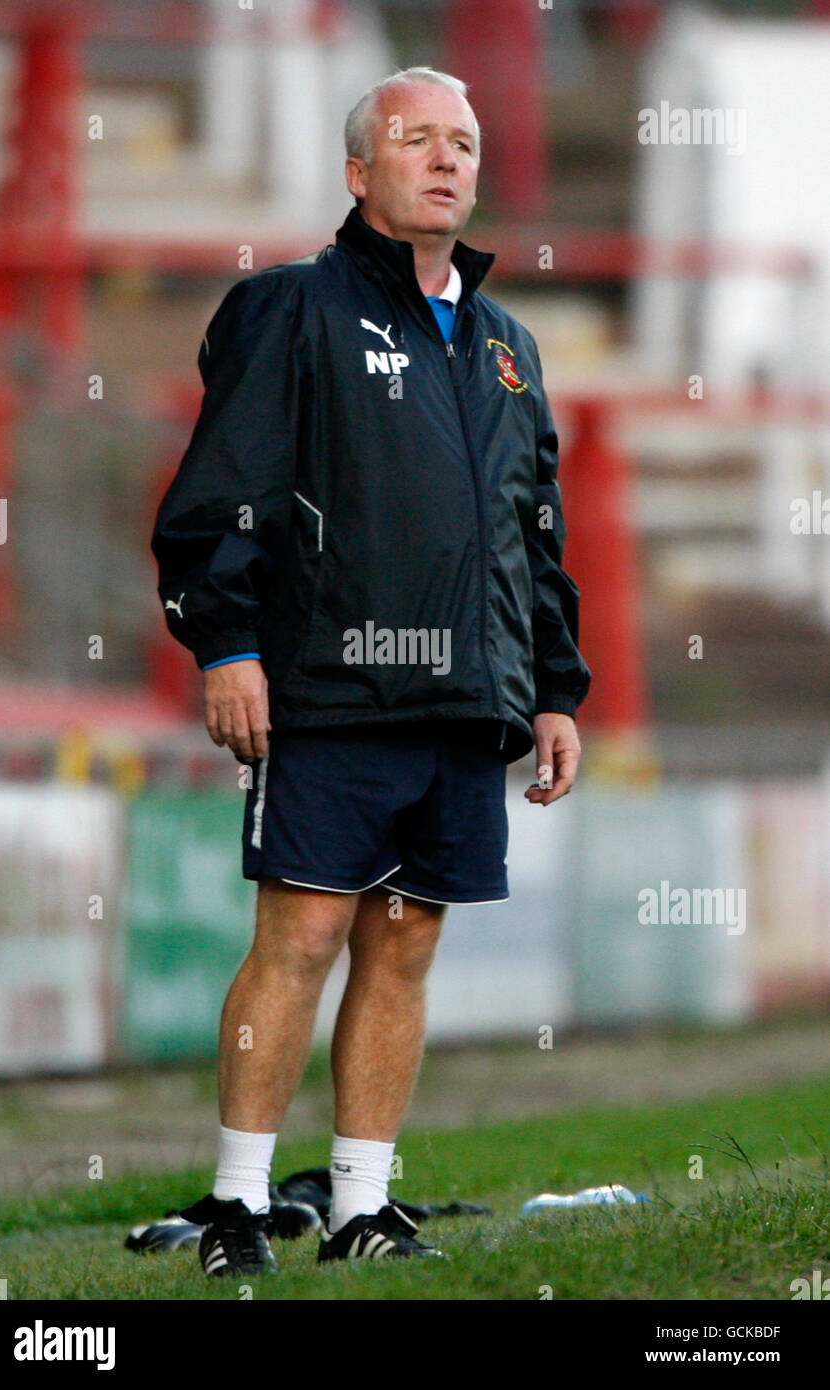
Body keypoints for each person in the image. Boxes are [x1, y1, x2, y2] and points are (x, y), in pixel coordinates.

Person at [151, 66, 590, 1277]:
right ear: (360, 171)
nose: (447, 159)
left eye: (463, 139)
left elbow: (532, 535)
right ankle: (238, 1200)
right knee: (298, 936)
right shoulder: (287, 307)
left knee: (403, 946)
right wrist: (227, 642)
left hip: (466, 699)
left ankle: (360, 1203)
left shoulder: (506, 346)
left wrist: (554, 685)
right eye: (416, 140)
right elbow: (218, 495)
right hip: (327, 688)